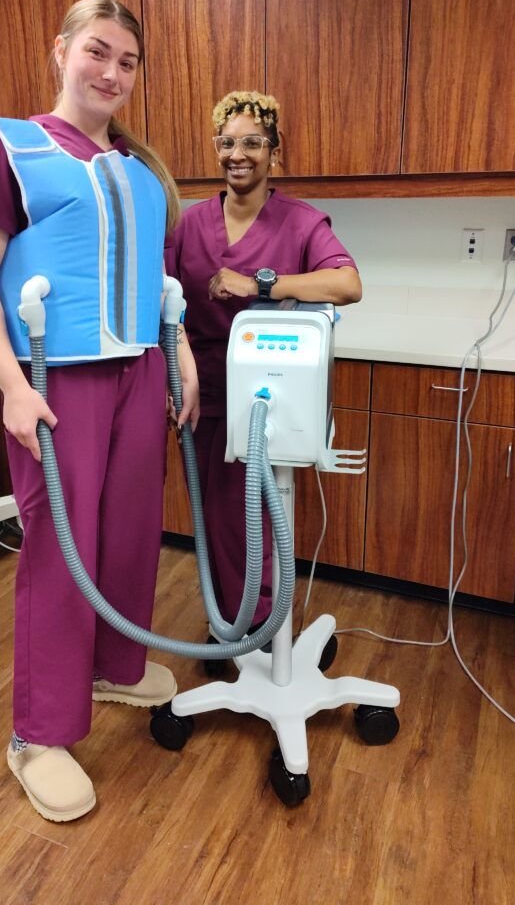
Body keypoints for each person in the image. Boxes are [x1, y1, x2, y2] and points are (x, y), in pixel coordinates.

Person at [0, 0, 199, 823]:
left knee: (130, 533)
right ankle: (39, 733)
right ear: (61, 51)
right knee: (62, 552)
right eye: (98, 51)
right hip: (55, 380)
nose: (112, 72)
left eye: (128, 61)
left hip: (138, 371)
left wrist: (179, 355)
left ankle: (114, 667)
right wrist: (12, 386)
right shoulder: (11, 148)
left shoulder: (138, 170)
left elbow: (153, 280)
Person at [165, 90, 360, 633]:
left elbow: (347, 284)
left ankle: (259, 627)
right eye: (227, 143)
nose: (238, 155)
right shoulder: (188, 225)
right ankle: (232, 622)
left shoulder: (300, 222)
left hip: (267, 397)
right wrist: (171, 375)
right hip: (201, 393)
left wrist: (261, 285)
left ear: (275, 150)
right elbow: (162, 302)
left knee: (252, 516)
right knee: (215, 518)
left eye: (252, 143)